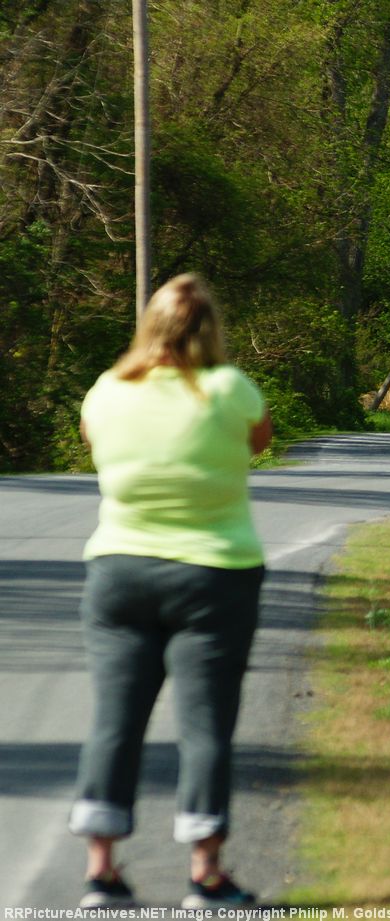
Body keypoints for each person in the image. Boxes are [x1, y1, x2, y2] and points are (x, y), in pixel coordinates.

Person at [69, 274, 273, 910]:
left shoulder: (106, 392)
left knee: (114, 719)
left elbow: (94, 445)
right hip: (214, 575)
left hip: (119, 571)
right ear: (210, 329)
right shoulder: (230, 390)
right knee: (206, 724)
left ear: (149, 326)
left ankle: (102, 873)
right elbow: (259, 442)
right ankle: (205, 876)